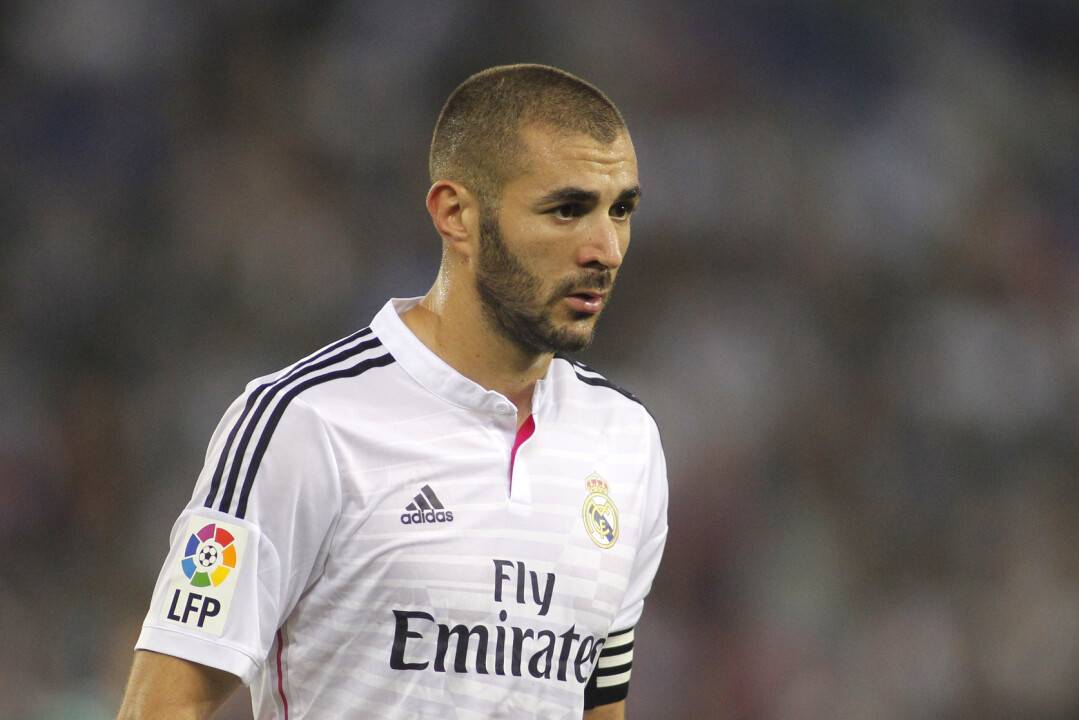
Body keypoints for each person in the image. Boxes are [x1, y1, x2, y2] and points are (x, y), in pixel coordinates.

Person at [116, 63, 668, 720]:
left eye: (621, 210)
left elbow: (597, 706)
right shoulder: (303, 422)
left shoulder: (626, 441)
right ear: (456, 214)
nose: (606, 249)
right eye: (567, 210)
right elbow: (162, 707)